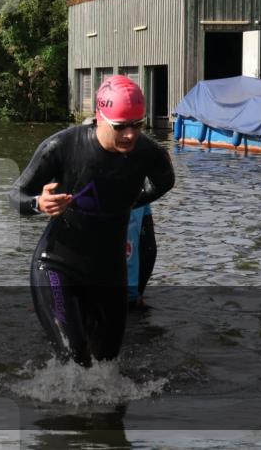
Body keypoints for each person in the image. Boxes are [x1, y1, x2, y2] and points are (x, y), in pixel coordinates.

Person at [10, 75, 174, 365]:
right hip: (57, 266)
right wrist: (38, 203)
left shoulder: (148, 153)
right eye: (120, 126)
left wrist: (129, 202)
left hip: (109, 273)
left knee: (107, 364)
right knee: (76, 360)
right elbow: (16, 196)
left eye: (138, 124)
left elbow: (164, 183)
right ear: (100, 118)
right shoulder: (61, 146)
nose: (130, 135)